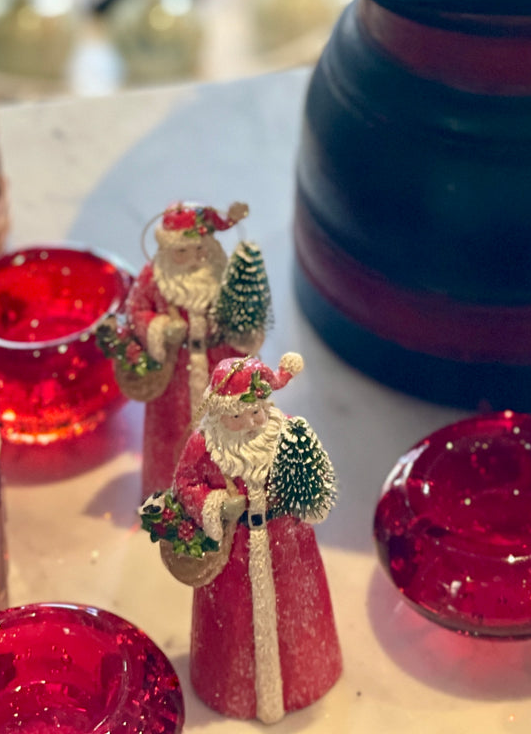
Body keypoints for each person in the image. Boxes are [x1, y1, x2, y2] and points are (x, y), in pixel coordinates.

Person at [170, 355, 342, 722]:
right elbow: (184, 483)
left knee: (294, 612)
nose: (248, 424)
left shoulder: (288, 432)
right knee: (234, 620)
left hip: (289, 546)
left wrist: (311, 500)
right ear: (219, 415)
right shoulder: (205, 445)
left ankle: (305, 679)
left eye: (255, 413)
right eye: (237, 416)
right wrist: (215, 505)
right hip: (233, 553)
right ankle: (231, 689)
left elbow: (313, 474)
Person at [124, 201, 261, 497]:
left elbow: (243, 312)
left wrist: (242, 331)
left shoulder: (221, 275)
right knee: (172, 432)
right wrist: (159, 328)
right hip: (175, 374)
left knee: (225, 428)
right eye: (183, 252)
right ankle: (168, 493)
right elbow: (136, 309)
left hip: (219, 365)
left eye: (200, 249)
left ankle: (226, 491)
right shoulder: (154, 277)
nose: (194, 258)